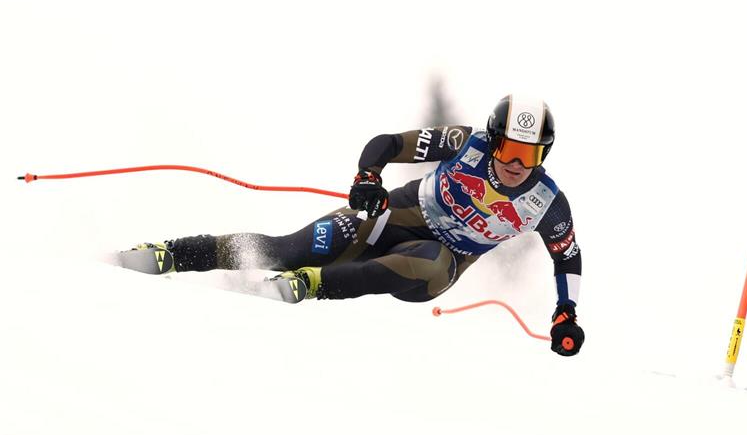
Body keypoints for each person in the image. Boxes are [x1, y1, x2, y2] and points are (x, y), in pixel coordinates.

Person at [122, 94, 584, 356]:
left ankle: (310, 284)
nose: (517, 165)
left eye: (530, 155)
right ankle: (171, 253)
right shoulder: (467, 143)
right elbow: (387, 144)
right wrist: (368, 178)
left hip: (438, 264)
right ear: (494, 140)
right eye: (509, 150)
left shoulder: (547, 202)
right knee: (288, 249)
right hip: (396, 216)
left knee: (429, 260)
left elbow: (568, 256)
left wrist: (566, 311)